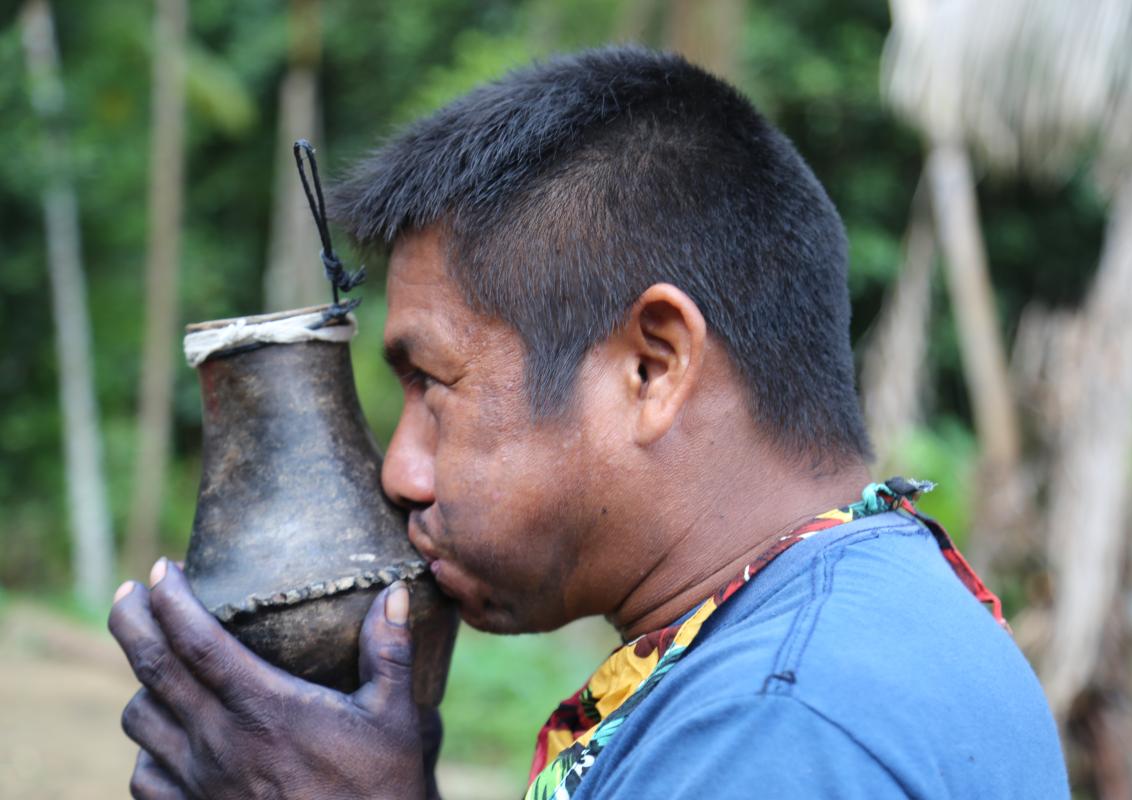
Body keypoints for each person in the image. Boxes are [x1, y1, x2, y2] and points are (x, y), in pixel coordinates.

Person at [108, 46, 1069, 799]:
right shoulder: (834, 634)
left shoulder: (782, 726)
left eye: (433, 384)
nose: (402, 470)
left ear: (653, 366)